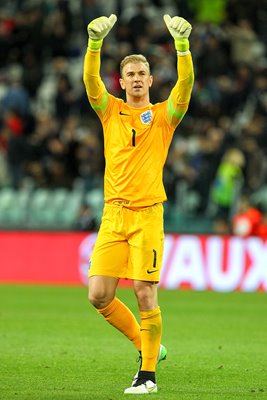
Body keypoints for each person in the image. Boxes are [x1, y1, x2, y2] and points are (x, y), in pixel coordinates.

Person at [83, 13, 194, 395]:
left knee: (145, 293)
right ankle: (149, 348)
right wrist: (94, 45)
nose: (134, 79)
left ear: (149, 80)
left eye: (140, 74)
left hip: (147, 215)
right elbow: (90, 82)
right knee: (98, 295)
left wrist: (183, 49)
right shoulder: (109, 110)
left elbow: (186, 86)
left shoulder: (164, 116)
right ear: (122, 80)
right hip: (113, 213)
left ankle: (147, 376)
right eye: (128, 74)